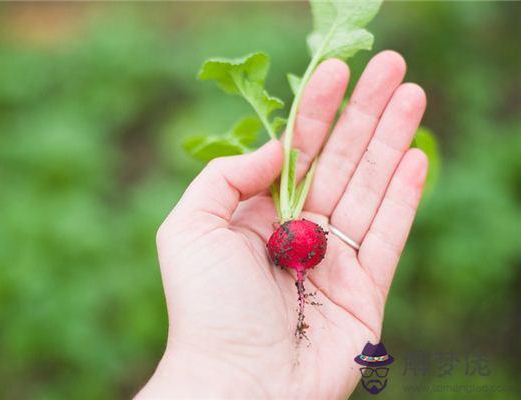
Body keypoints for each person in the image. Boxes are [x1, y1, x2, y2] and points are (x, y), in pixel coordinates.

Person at [138, 51, 427, 399]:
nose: (300, 281)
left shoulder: (296, 240)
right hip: (295, 234)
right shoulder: (293, 240)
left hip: (296, 235)